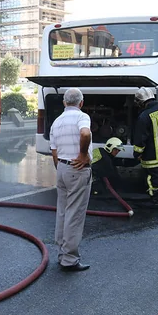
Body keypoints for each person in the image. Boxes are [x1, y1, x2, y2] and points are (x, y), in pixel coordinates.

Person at [49, 88, 93, 272]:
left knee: (63, 211)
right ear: (81, 103)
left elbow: (54, 151)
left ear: (64, 103)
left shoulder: (57, 122)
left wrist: (60, 168)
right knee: (74, 214)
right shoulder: (82, 117)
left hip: (62, 168)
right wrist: (83, 154)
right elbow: (85, 134)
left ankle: (62, 252)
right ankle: (69, 259)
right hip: (77, 169)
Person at [132, 87, 158, 207]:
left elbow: (140, 139)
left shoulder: (144, 116)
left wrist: (137, 153)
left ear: (141, 102)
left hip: (153, 157)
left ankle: (156, 201)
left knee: (152, 179)